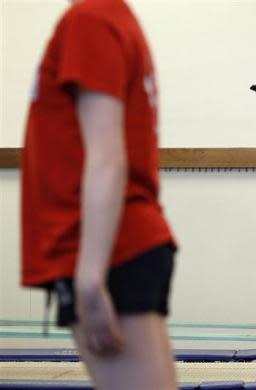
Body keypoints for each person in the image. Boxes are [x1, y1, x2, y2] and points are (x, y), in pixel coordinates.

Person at [21, 0, 177, 388]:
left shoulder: (90, 19)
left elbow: (107, 157)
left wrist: (90, 279)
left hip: (110, 250)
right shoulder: (109, 18)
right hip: (117, 245)